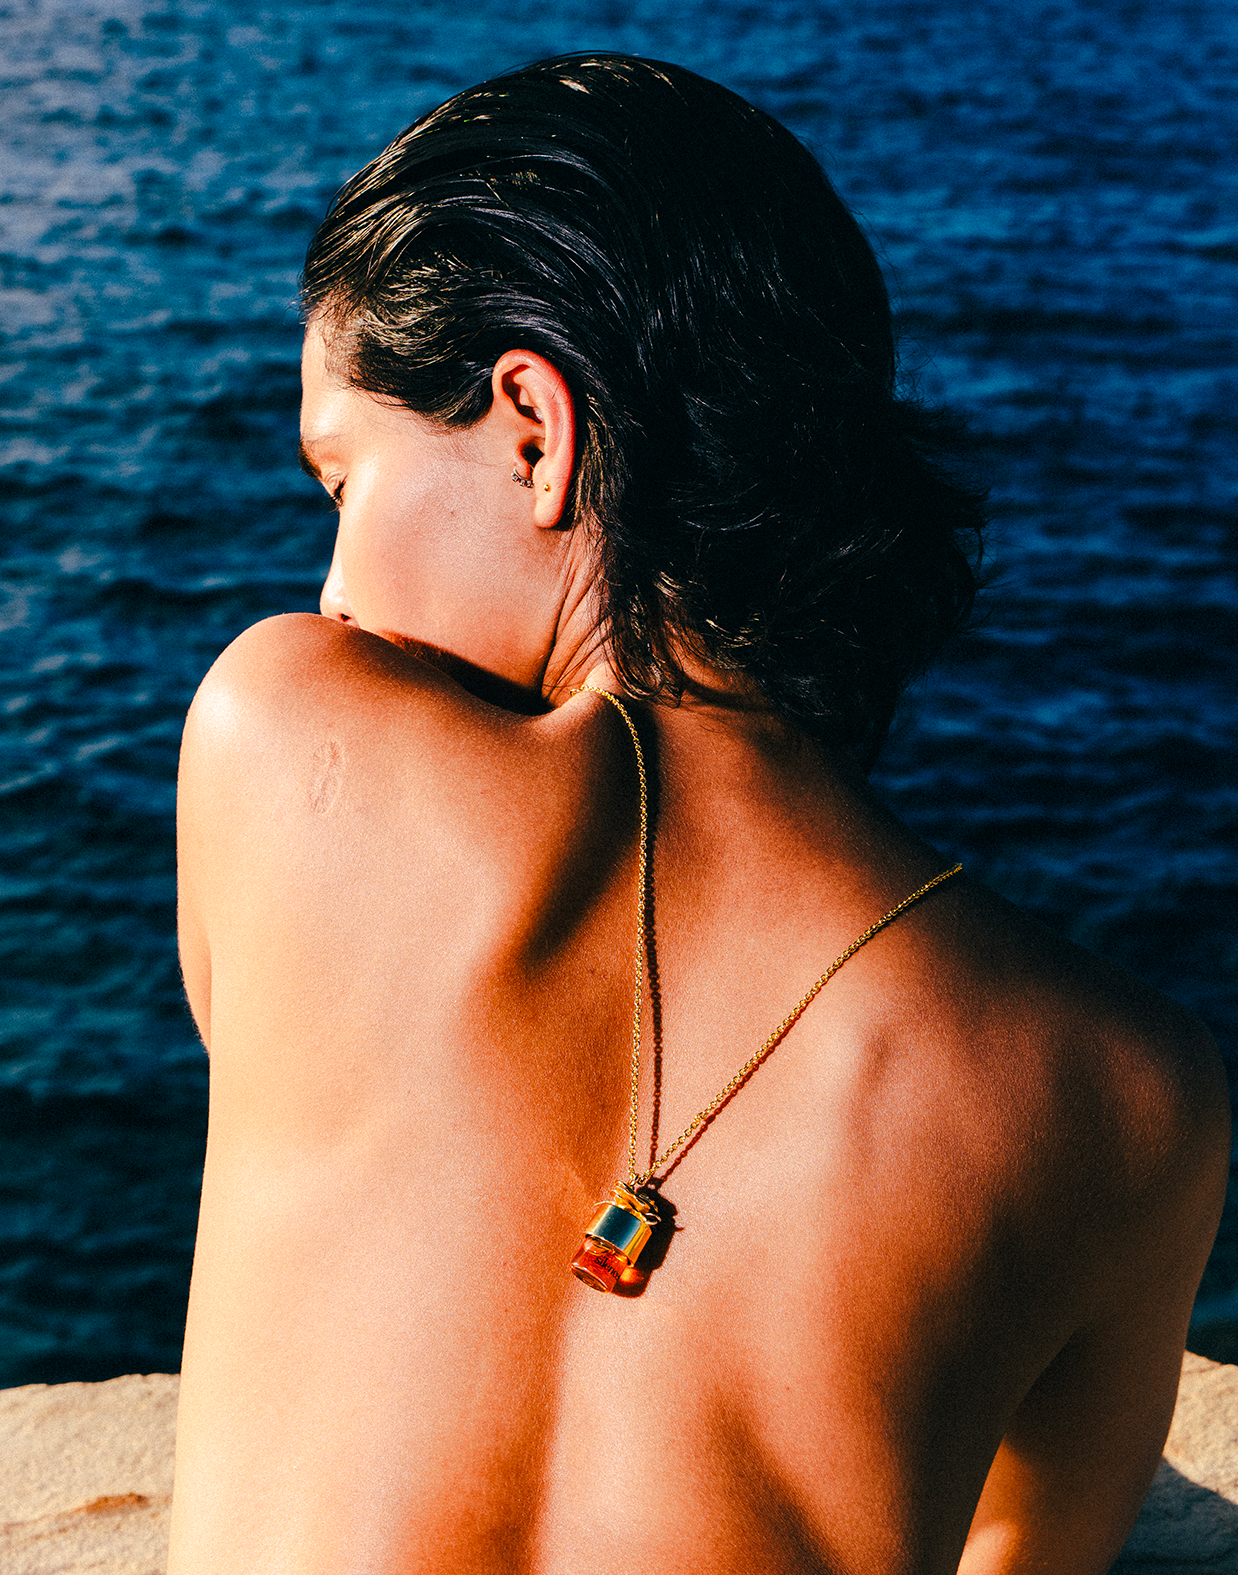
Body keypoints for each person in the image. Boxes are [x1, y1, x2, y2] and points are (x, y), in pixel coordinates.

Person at [167, 54, 1228, 1575]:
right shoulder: (1127, 1093)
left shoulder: (279, 736)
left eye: (341, 482)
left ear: (535, 431)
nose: (332, 587)